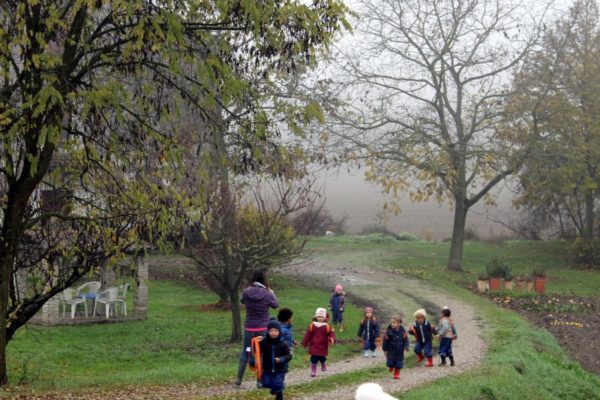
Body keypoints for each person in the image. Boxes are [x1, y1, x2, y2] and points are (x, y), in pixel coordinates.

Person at [235, 270, 279, 387]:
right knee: (263, 353)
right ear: (264, 280)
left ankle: (238, 380)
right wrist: (272, 292)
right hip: (263, 328)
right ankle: (260, 381)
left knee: (246, 351)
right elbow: (275, 305)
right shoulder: (267, 293)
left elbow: (242, 300)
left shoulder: (246, 292)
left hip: (249, 328)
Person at [255, 320, 292, 400]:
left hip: (280, 369)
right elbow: (257, 351)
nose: (273, 333)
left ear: (279, 331)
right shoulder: (264, 342)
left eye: (275, 330)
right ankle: (276, 388)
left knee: (278, 384)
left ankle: (279, 393)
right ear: (268, 331)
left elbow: (289, 356)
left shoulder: (283, 343)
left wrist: (281, 359)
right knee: (265, 383)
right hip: (267, 368)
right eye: (271, 331)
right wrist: (256, 342)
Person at [302, 307, 336, 377]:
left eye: (322, 317)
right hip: (313, 345)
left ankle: (323, 363)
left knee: (322, 357)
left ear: (324, 317)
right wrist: (305, 343)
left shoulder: (326, 326)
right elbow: (308, 334)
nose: (320, 318)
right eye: (319, 316)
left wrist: (332, 339)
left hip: (322, 345)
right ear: (316, 317)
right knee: (313, 358)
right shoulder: (312, 325)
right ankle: (313, 370)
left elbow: (331, 333)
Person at [382, 315, 409, 379]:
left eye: (394, 323)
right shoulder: (388, 331)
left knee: (399, 363)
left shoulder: (403, 332)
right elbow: (385, 341)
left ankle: (396, 374)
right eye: (391, 322)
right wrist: (385, 350)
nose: (392, 324)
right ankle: (391, 366)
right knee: (390, 363)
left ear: (399, 323)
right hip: (390, 351)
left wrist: (406, 346)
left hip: (399, 351)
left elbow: (406, 340)